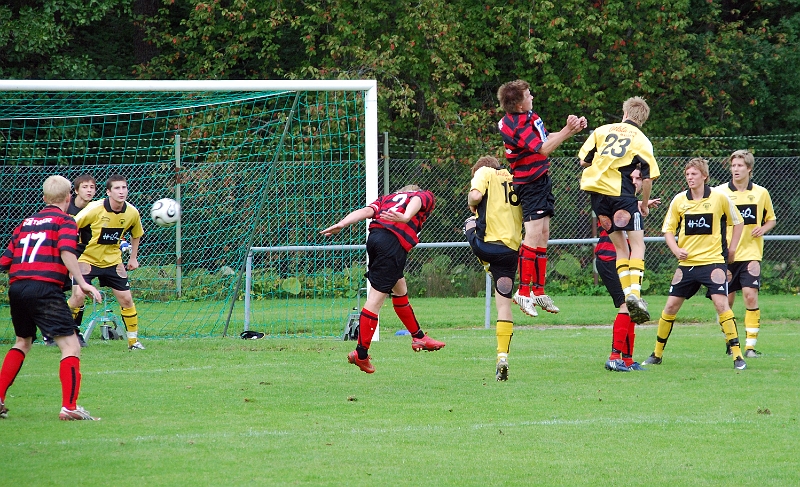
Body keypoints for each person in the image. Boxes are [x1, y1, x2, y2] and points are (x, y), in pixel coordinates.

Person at [0, 175, 102, 420]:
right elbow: (67, 251)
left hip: (17, 288)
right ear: (69, 197)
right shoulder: (65, 221)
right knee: (71, 345)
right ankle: (70, 406)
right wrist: (82, 282)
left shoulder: (24, 223)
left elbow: (5, 261)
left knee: (22, 341)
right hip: (44, 288)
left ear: (44, 198)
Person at [321, 185, 445, 374]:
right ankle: (361, 353)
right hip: (392, 244)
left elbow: (365, 211)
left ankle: (418, 336)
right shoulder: (423, 195)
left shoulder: (386, 199)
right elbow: (417, 200)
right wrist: (405, 217)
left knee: (399, 287)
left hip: (375, 239)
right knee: (375, 300)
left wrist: (342, 223)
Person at [642, 158, 747, 370]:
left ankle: (737, 356)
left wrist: (733, 248)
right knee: (670, 306)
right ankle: (657, 354)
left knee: (721, 305)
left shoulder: (719, 198)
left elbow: (738, 222)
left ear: (704, 176)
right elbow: (668, 231)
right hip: (687, 265)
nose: (690, 178)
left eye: (694, 174)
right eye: (688, 174)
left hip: (713, 262)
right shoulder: (679, 200)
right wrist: (676, 249)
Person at [497, 79, 587, 317]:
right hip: (530, 183)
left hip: (541, 179)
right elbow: (544, 148)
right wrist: (568, 131)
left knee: (544, 233)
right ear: (518, 105)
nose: (532, 97)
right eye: (528, 95)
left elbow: (544, 137)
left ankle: (538, 290)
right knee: (533, 233)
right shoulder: (515, 123)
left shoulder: (528, 117)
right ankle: (523, 292)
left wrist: (572, 129)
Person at [578, 96, 660, 328]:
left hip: (597, 195)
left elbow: (584, 161)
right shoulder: (642, 139)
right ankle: (634, 292)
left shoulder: (601, 130)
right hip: (621, 193)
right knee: (638, 244)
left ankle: (626, 294)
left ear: (624, 112)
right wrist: (642, 204)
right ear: (642, 119)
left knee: (620, 248)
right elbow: (647, 178)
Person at [590, 169, 660, 372]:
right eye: (633, 178)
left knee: (632, 306)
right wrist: (642, 204)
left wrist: (640, 204)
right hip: (611, 258)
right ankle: (614, 357)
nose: (637, 182)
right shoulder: (616, 197)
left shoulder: (629, 202)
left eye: (639, 178)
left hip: (623, 259)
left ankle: (627, 360)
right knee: (626, 305)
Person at [67, 174, 146, 351]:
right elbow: (72, 226)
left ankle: (133, 342)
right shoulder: (94, 209)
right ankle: (63, 333)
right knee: (78, 296)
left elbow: (137, 233)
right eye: (117, 188)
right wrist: (70, 256)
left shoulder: (132, 212)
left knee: (126, 300)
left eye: (124, 187)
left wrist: (133, 257)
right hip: (87, 259)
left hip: (113, 261)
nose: (121, 191)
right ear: (108, 192)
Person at [464, 155, 523, 381]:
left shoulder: (485, 173)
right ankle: (502, 356)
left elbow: (476, 195)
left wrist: (472, 201)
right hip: (510, 251)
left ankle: (489, 268)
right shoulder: (516, 177)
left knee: (469, 224)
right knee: (503, 304)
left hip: (487, 245)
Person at [713, 150, 776, 358]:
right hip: (725, 255)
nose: (736, 169)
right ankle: (730, 342)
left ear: (749, 168)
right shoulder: (720, 192)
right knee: (725, 302)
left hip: (751, 253)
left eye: (740, 166)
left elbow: (771, 219)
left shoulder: (761, 193)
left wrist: (763, 229)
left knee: (750, 296)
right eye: (733, 166)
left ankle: (749, 347)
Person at [43, 173, 97, 347]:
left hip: (81, 259)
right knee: (55, 296)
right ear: (74, 191)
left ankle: (74, 330)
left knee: (79, 295)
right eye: (85, 187)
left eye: (92, 187)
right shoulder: (65, 208)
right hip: (61, 258)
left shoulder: (96, 209)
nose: (89, 191)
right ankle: (51, 331)